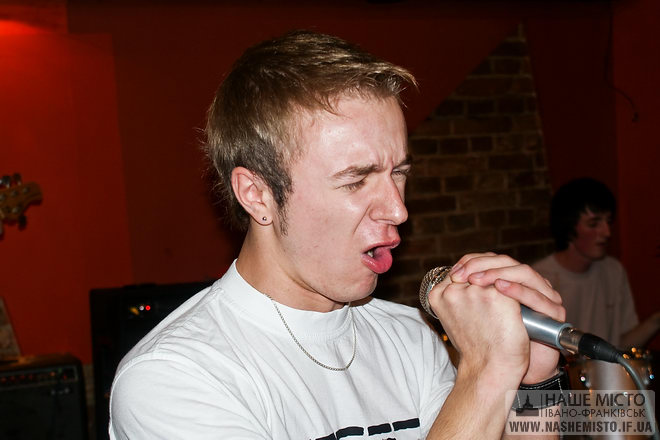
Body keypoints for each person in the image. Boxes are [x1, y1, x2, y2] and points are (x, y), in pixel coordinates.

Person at [109, 30, 565, 439]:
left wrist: (535, 383)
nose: (398, 210)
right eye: (355, 180)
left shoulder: (410, 337)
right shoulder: (176, 377)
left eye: (398, 173)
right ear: (257, 195)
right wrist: (484, 373)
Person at [533, 177, 660, 350]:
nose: (607, 232)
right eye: (594, 224)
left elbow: (621, 346)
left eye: (608, 222)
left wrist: (656, 320)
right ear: (569, 228)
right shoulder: (541, 278)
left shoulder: (613, 271)